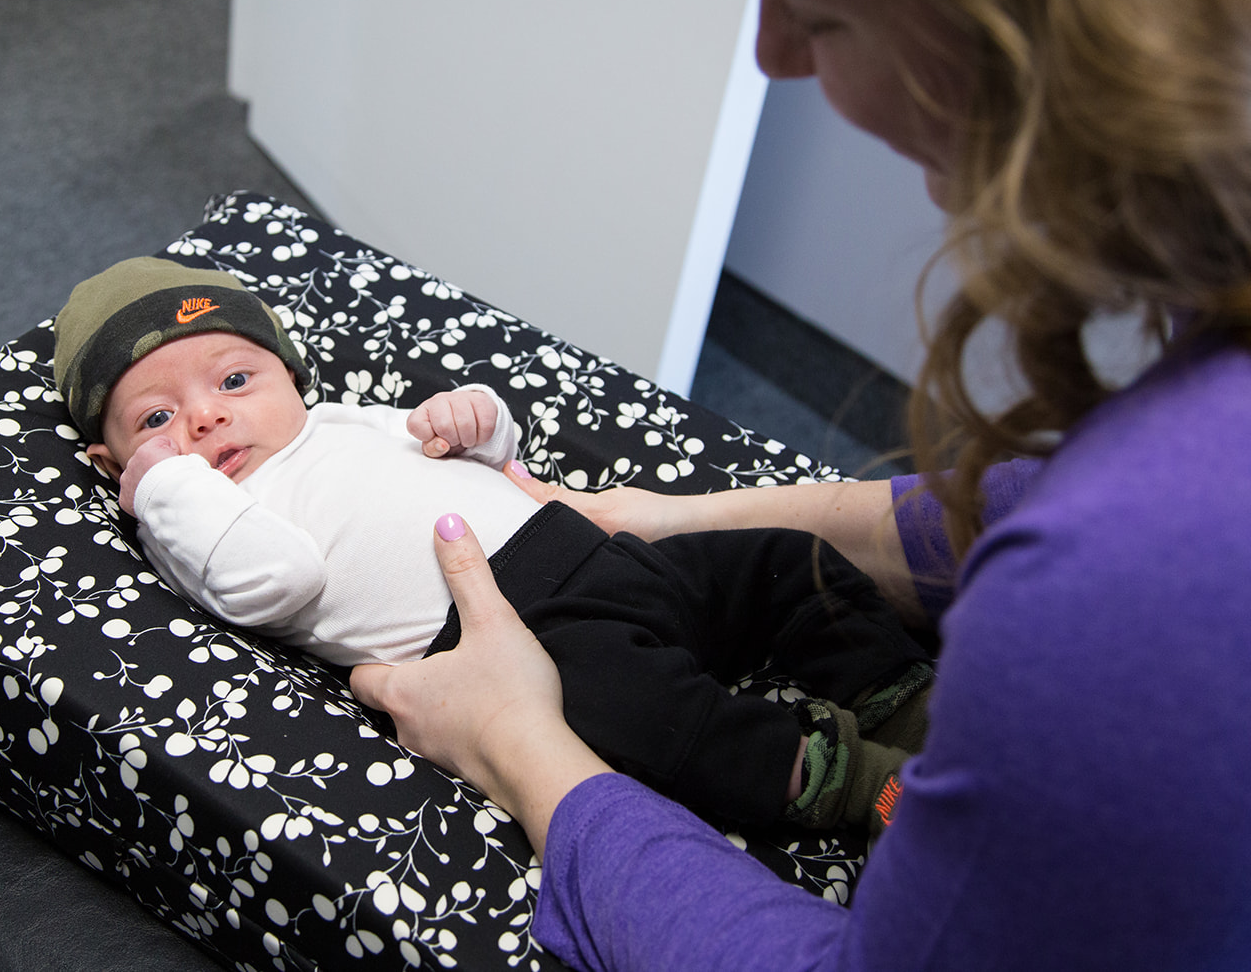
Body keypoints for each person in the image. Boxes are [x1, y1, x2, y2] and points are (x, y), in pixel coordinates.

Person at [347, 0, 1251, 969]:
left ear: (1015, 16)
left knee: (656, 694)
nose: (770, 54)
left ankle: (860, 757)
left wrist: (517, 743)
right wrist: (677, 515)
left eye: (816, 17)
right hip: (604, 557)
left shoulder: (1123, 579)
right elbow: (1015, 501)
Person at [52, 255, 934, 835]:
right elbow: (277, 581)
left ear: (289, 374)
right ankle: (849, 781)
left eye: (235, 378)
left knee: (780, 558)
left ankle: (901, 698)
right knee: (659, 721)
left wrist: (473, 420)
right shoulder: (202, 521)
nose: (206, 415)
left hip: (590, 546)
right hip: (520, 640)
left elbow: (485, 459)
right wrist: (167, 485)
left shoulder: (333, 421)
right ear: (112, 462)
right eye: (158, 418)